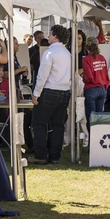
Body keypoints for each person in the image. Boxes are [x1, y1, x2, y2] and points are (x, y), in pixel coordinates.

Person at [30, 25, 71, 165]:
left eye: (50, 34)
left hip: (50, 91)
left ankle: (41, 155)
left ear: (54, 35)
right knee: (58, 125)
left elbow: (42, 76)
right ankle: (55, 156)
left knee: (39, 123)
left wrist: (36, 93)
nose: (48, 36)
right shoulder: (67, 53)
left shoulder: (50, 53)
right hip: (64, 91)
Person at [82, 37, 110, 131]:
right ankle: (99, 141)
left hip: (91, 89)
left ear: (87, 46)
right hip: (102, 89)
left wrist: (83, 80)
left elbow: (89, 77)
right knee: (99, 118)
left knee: (91, 119)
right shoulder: (102, 58)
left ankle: (92, 142)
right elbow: (106, 75)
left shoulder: (86, 59)